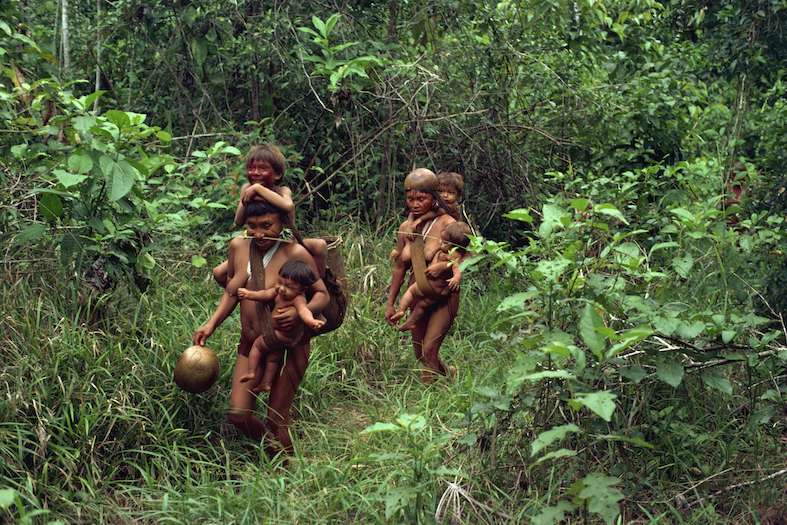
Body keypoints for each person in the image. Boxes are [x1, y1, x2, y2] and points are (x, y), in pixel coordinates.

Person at [193, 200, 329, 455]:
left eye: (267, 226)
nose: (259, 234)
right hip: (252, 342)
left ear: (282, 223)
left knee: (277, 418)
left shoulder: (295, 253)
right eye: (252, 226)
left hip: (290, 346)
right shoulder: (238, 247)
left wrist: (300, 313)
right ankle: (274, 451)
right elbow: (232, 293)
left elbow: (322, 294)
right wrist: (210, 324)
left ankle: (285, 468)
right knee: (238, 414)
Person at [385, 168, 460, 382]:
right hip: (417, 291)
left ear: (433, 197)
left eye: (421, 199)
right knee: (420, 354)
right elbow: (399, 268)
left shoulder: (448, 224)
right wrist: (390, 303)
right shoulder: (405, 228)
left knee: (429, 350)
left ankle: (432, 396)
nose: (415, 204)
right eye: (411, 199)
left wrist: (443, 267)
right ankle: (449, 374)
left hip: (443, 293)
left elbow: (463, 257)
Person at [237, 260, 326, 392]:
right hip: (284, 339)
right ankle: (266, 383)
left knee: (257, 346)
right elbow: (265, 294)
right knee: (273, 358)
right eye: (280, 282)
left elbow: (304, 311)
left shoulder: (298, 299)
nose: (282, 289)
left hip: (279, 334)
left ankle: (251, 372)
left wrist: (311, 321)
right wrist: (249, 294)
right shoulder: (278, 292)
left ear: (302, 289)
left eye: (289, 287)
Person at [390, 221, 472, 332]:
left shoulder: (452, 255)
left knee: (411, 292)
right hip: (438, 292)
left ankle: (401, 309)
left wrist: (456, 278)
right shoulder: (448, 251)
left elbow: (456, 267)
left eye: (444, 242)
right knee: (422, 305)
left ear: (454, 246)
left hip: (431, 285)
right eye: (441, 240)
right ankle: (411, 322)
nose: (440, 243)